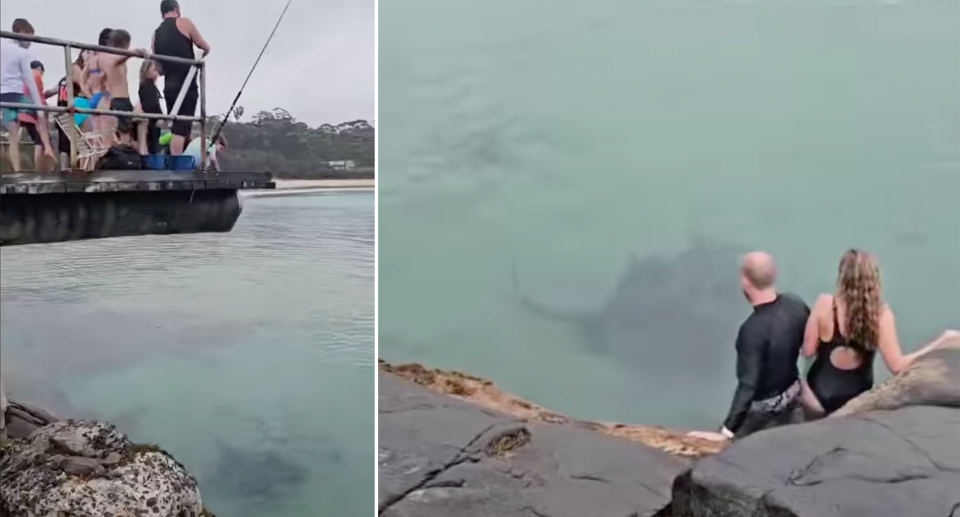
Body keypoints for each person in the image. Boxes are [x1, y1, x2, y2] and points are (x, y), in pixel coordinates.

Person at [799, 249, 951, 417]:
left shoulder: (824, 303)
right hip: (854, 401)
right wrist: (941, 341)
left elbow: (808, 350)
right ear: (875, 280)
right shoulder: (881, 316)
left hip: (816, 397)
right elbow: (897, 366)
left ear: (841, 277)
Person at [689, 252, 810, 442]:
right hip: (793, 394)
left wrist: (726, 432)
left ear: (745, 281)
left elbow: (748, 385)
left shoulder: (751, 331)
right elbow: (808, 341)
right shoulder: (795, 304)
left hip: (764, 410)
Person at [153, 0, 211, 156]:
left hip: (169, 85)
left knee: (179, 127)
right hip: (186, 82)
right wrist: (199, 57)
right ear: (177, 9)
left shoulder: (155, 35)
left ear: (162, 13)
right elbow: (205, 47)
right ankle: (176, 168)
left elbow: (158, 68)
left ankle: (181, 162)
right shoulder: (184, 23)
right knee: (180, 129)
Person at [0, 18, 48, 172]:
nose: (31, 43)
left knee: (14, 135)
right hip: (16, 95)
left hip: (4, 95)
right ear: (21, 33)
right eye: (30, 38)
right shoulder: (22, 53)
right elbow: (29, 80)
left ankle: (17, 170)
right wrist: (39, 109)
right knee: (40, 120)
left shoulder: (2, 48)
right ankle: (45, 150)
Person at [100, 29, 147, 146]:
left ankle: (130, 153)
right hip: (119, 100)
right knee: (124, 135)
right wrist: (132, 53)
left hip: (121, 100)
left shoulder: (115, 58)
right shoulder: (111, 57)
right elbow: (114, 62)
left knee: (129, 131)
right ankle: (125, 157)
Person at [17, 60, 56, 170]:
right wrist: (44, 106)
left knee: (37, 141)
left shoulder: (23, 77)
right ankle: (47, 170)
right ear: (39, 68)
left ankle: (39, 170)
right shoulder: (36, 75)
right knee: (43, 142)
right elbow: (37, 95)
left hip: (22, 112)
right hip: (33, 112)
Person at [81, 28, 114, 139]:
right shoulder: (107, 59)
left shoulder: (92, 61)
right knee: (106, 138)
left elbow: (82, 80)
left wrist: (89, 95)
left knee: (96, 139)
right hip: (105, 98)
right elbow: (108, 76)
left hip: (94, 98)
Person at [137, 59, 164, 154]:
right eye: (154, 70)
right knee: (153, 143)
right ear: (146, 70)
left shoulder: (149, 85)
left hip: (153, 120)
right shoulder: (147, 86)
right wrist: (159, 116)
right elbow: (151, 104)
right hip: (152, 120)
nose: (157, 72)